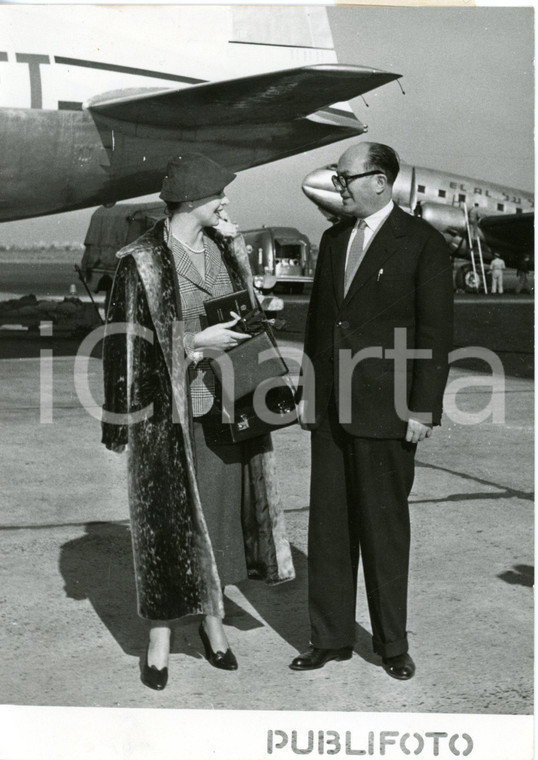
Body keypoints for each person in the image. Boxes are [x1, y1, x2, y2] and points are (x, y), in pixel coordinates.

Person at [102, 153, 295, 690]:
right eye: (218, 195)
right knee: (168, 530)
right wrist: (193, 344)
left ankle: (214, 626)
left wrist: (258, 314)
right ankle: (159, 640)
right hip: (169, 419)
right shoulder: (139, 261)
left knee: (220, 521)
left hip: (230, 407)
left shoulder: (223, 249)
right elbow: (123, 345)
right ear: (191, 199)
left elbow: (239, 310)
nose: (226, 202)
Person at [290, 142, 453, 679]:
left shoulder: (423, 243)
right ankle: (330, 638)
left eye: (345, 178)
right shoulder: (334, 239)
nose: (339, 187)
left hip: (388, 413)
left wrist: (423, 408)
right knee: (329, 531)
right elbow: (320, 327)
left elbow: (435, 334)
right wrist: (310, 397)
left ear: (380, 181)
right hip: (332, 410)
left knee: (384, 532)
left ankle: (391, 646)